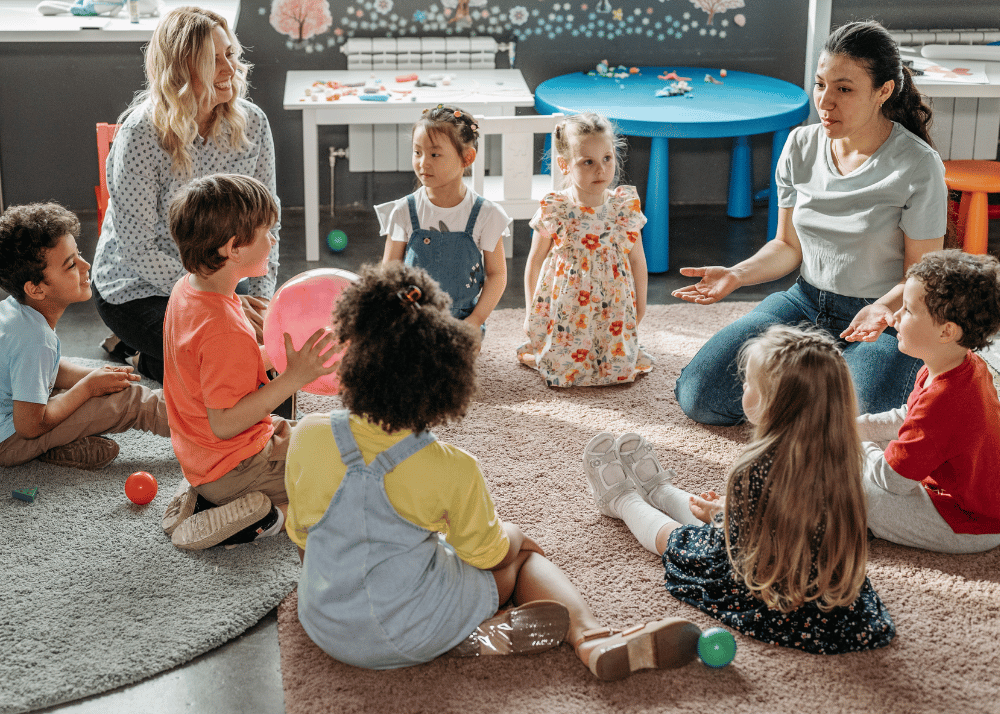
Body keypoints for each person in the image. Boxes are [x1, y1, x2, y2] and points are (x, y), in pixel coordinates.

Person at [286, 262, 702, 680]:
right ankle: (591, 638)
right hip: (412, 628)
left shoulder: (308, 435)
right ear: (444, 380)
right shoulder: (452, 468)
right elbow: (488, 554)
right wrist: (517, 536)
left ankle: (458, 632)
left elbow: (305, 538)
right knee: (519, 558)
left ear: (349, 356)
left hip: (326, 625)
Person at [673, 20, 947, 425]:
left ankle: (814, 391)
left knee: (861, 424)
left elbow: (920, 274)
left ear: (884, 91)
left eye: (844, 88)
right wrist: (736, 274)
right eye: (820, 85)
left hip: (881, 317)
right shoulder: (800, 145)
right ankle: (817, 389)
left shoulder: (918, 165)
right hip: (804, 301)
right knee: (700, 395)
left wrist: (883, 310)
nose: (825, 101)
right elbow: (787, 246)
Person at [584, 325, 896, 654]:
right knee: (712, 522)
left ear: (772, 404)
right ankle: (660, 491)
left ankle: (622, 500)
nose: (743, 386)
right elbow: (789, 518)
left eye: (749, 383)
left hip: (775, 590)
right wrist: (729, 511)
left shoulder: (756, 468)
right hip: (830, 595)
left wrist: (727, 515)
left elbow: (739, 543)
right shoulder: (846, 456)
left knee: (680, 540)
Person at [92, 6, 280, 383]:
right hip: (137, 289)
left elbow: (266, 223)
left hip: (219, 277)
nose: (230, 68)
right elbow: (138, 249)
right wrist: (221, 299)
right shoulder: (142, 134)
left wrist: (262, 302)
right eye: (213, 60)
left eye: (230, 53)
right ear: (180, 70)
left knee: (261, 356)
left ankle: (145, 351)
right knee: (229, 362)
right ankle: (140, 356)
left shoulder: (253, 123)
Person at [160, 174, 338, 551]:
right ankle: (263, 517)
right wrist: (292, 378)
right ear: (233, 249)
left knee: (318, 433)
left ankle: (203, 495)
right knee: (342, 483)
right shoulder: (223, 329)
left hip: (204, 456)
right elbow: (224, 424)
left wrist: (270, 357)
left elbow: (206, 373)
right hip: (236, 464)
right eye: (265, 233)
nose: (272, 241)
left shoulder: (187, 289)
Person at [0, 203, 169, 470]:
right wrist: (89, 387)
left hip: (12, 419)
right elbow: (30, 426)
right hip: (9, 441)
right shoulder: (35, 340)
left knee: (82, 385)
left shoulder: (16, 309)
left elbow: (48, 369)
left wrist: (92, 376)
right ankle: (209, 426)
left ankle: (60, 446)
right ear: (36, 289)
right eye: (70, 265)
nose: (86, 264)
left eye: (78, 254)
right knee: (129, 401)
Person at [858, 250, 1000, 553]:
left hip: (968, 522)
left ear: (946, 331)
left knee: (859, 488)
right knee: (866, 451)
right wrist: (851, 427)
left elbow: (891, 481)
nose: (895, 317)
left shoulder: (945, 400)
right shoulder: (961, 364)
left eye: (908, 310)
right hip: (966, 498)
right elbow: (909, 417)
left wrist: (855, 447)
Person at [517, 112, 652, 387]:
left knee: (615, 366)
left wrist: (641, 305)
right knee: (563, 367)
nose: (600, 170)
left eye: (606, 159)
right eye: (587, 162)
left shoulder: (624, 208)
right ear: (564, 165)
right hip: (568, 310)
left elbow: (638, 260)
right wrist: (531, 311)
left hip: (612, 307)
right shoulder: (554, 209)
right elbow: (535, 261)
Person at [377, 104, 509, 331]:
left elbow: (496, 275)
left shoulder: (487, 214)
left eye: (435, 154)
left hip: (462, 322)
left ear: (467, 158)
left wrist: (475, 321)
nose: (423, 162)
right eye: (417, 152)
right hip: (412, 319)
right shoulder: (403, 210)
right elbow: (389, 271)